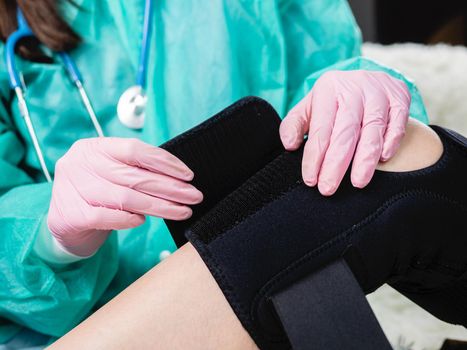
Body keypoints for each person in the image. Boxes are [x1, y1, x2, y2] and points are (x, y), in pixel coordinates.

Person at [0, 0, 429, 346]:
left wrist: (365, 93)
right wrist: (51, 241)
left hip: (284, 297)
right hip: (78, 323)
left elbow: (331, 70)